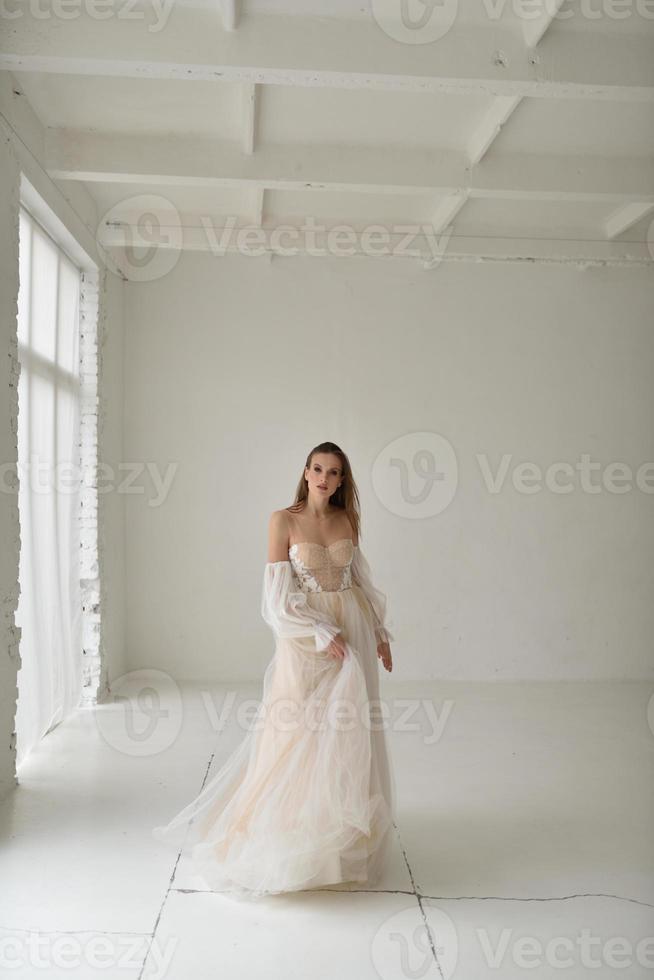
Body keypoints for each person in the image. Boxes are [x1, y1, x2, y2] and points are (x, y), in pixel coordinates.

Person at [152, 441, 396, 900]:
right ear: (305, 473)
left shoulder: (347, 520)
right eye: (317, 469)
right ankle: (288, 832)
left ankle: (337, 843)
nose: (325, 478)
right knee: (297, 731)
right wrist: (320, 632)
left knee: (344, 732)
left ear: (343, 481)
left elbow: (359, 580)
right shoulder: (282, 520)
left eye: (334, 472)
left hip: (353, 630)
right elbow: (275, 600)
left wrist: (379, 633)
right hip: (305, 637)